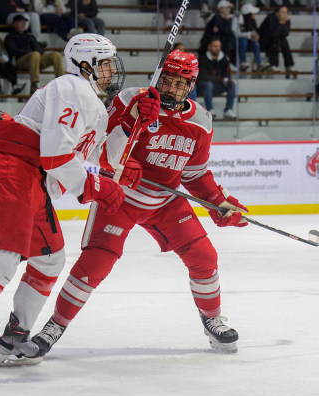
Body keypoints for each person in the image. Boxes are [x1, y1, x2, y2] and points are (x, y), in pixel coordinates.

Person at [0, 33, 160, 388]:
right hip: (12, 168)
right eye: (106, 64)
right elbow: (56, 155)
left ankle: (14, 338)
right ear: (86, 65)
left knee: (49, 258)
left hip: (30, 177)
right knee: (1, 260)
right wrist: (96, 187)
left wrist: (131, 125)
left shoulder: (91, 103)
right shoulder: (72, 88)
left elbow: (101, 158)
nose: (113, 72)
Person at [18, 50, 248, 363]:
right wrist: (118, 166)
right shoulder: (131, 99)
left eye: (180, 83)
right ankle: (54, 327)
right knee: (94, 265)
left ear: (191, 85)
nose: (170, 88)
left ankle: (213, 319)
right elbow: (95, 143)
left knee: (205, 256)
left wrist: (218, 202)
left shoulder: (201, 122)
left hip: (165, 203)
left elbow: (195, 174)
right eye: (167, 79)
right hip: (120, 197)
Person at [5, 14, 65, 94]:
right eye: (20, 22)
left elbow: (39, 48)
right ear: (14, 24)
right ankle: (34, 83)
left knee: (56, 55)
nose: (23, 24)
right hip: (21, 61)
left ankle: (62, 82)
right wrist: (29, 52)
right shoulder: (10, 37)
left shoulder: (30, 36)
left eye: (24, 22)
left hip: (36, 59)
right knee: (35, 54)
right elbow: (13, 51)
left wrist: (35, 52)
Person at [196, 36, 237, 119]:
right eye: (215, 46)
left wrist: (226, 80)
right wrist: (220, 79)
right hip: (203, 87)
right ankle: (209, 109)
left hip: (216, 86)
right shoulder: (203, 59)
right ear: (209, 47)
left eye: (219, 46)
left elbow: (227, 73)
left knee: (232, 85)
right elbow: (203, 77)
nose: (217, 49)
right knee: (208, 85)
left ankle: (228, 110)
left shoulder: (223, 58)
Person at [0, 20, 26, 95]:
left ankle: (15, 83)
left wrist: (4, 58)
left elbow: (3, 52)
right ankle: (14, 84)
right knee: (3, 67)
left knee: (10, 65)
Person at [232, 4, 270, 72]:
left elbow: (254, 30)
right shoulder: (237, 19)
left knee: (256, 43)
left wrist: (255, 36)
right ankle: (242, 62)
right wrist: (249, 35)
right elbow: (236, 33)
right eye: (252, 13)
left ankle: (259, 63)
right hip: (237, 42)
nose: (254, 14)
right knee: (243, 40)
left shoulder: (252, 21)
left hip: (249, 42)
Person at [258, 5, 294, 73]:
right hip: (264, 40)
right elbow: (273, 34)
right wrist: (281, 23)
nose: (285, 14)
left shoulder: (286, 20)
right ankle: (273, 64)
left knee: (284, 41)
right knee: (276, 41)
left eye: (286, 12)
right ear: (277, 13)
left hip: (276, 39)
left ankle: (288, 65)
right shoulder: (270, 18)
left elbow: (285, 33)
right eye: (282, 12)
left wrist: (285, 23)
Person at [200, 0, 236, 66]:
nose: (228, 10)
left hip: (222, 41)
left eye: (229, 8)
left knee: (232, 41)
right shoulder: (217, 18)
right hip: (210, 42)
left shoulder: (228, 19)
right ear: (220, 9)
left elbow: (227, 31)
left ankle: (231, 62)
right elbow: (224, 30)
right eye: (226, 8)